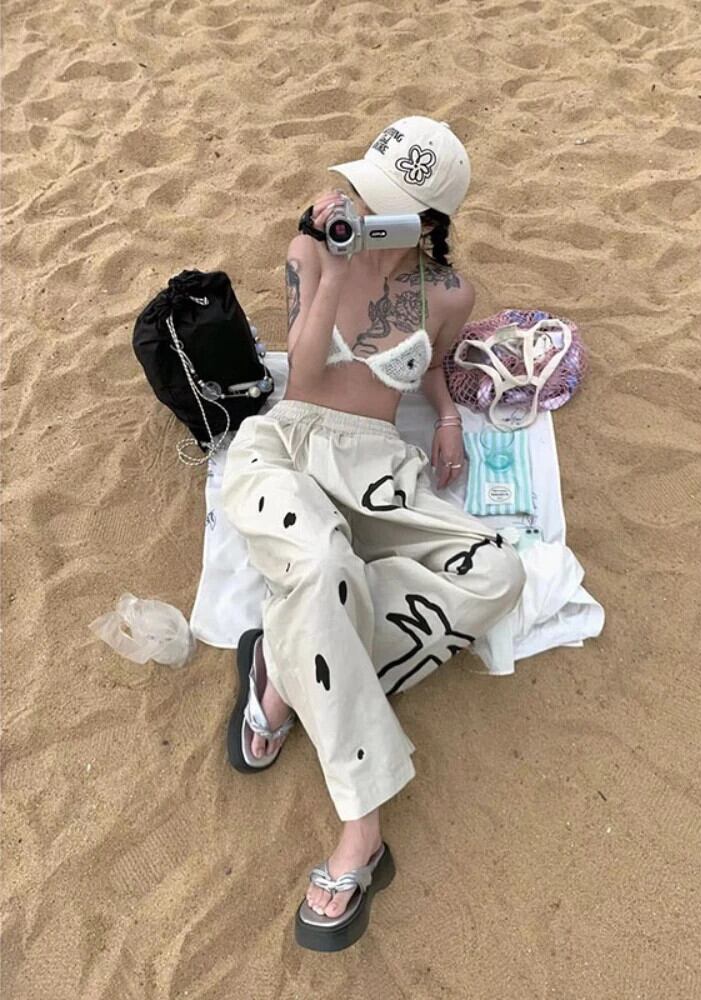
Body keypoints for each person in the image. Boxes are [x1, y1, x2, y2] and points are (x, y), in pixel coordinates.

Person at [220, 116, 526, 951]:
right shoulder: (313, 249)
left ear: (427, 220)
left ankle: (286, 670)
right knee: (326, 559)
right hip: (291, 445)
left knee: (498, 574)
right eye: (362, 188)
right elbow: (303, 370)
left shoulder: (450, 292)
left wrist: (450, 418)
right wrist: (332, 265)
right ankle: (363, 829)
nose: (360, 205)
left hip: (380, 468)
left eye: (384, 202)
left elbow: (431, 365)